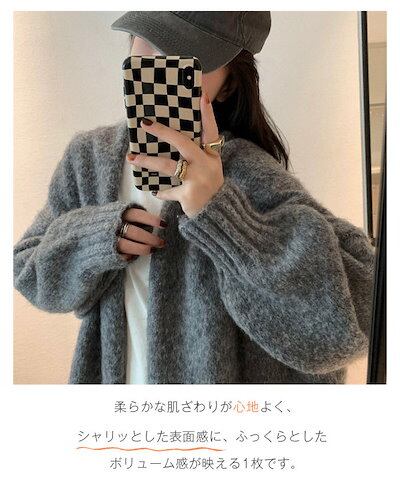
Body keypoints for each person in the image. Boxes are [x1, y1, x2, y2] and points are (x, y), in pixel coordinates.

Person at [13, 11, 375, 384]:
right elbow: (28, 272)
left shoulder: (250, 171)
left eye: (185, 56)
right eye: (149, 37)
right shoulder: (89, 159)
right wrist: (95, 240)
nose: (159, 61)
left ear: (229, 86)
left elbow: (361, 311)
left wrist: (221, 212)